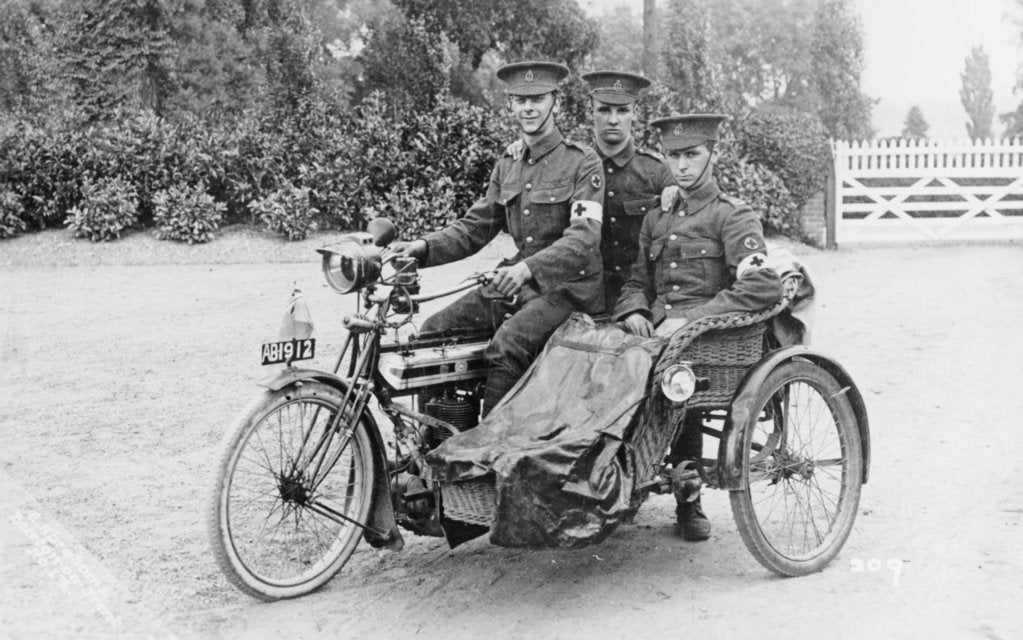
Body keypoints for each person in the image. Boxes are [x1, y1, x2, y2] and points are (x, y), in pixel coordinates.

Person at [387, 61, 605, 415]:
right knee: (433, 331)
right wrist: (423, 248)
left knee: (507, 345)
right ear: (511, 106)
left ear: (556, 103)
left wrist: (527, 269)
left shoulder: (582, 162)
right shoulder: (508, 164)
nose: (529, 108)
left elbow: (584, 239)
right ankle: (434, 442)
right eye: (520, 100)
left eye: (537, 99)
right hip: (515, 284)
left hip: (569, 291)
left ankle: (488, 457)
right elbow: (475, 227)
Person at [614, 114, 784, 540]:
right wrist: (634, 311)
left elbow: (762, 283)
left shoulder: (732, 216)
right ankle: (616, 481)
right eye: (674, 156)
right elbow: (637, 279)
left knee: (677, 373)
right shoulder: (658, 217)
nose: (683, 166)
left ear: (713, 155)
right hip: (653, 329)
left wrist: (690, 321)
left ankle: (688, 501)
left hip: (704, 336)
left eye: (692, 155)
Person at [578, 71, 678, 311]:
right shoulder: (574, 165)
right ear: (590, 111)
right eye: (604, 110)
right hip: (583, 295)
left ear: (635, 112)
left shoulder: (657, 171)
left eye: (622, 110)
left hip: (639, 296)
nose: (613, 120)